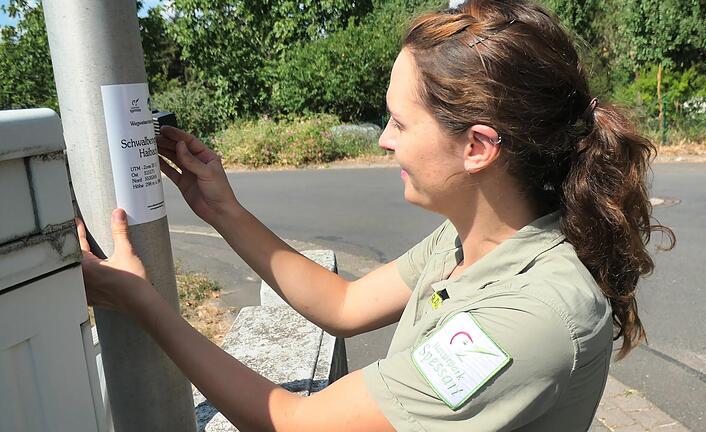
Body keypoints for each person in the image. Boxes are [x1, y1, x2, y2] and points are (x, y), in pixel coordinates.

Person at [77, 1, 674, 431]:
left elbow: (295, 423)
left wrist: (143, 303)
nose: (384, 140)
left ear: (478, 148)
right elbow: (343, 307)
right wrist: (222, 210)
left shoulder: (528, 317)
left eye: (400, 122)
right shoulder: (478, 241)